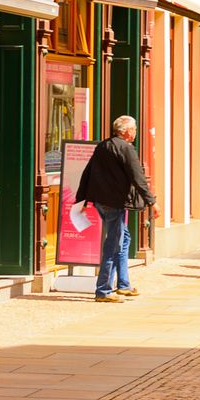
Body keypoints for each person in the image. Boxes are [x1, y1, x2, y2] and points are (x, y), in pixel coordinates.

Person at [76, 115, 158, 303]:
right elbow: (138, 178)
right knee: (113, 244)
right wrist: (152, 202)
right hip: (114, 203)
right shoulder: (126, 149)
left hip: (101, 201)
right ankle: (103, 290)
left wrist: (82, 199)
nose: (135, 132)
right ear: (126, 131)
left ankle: (123, 284)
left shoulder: (103, 146)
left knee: (124, 238)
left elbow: (87, 172)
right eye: (134, 129)